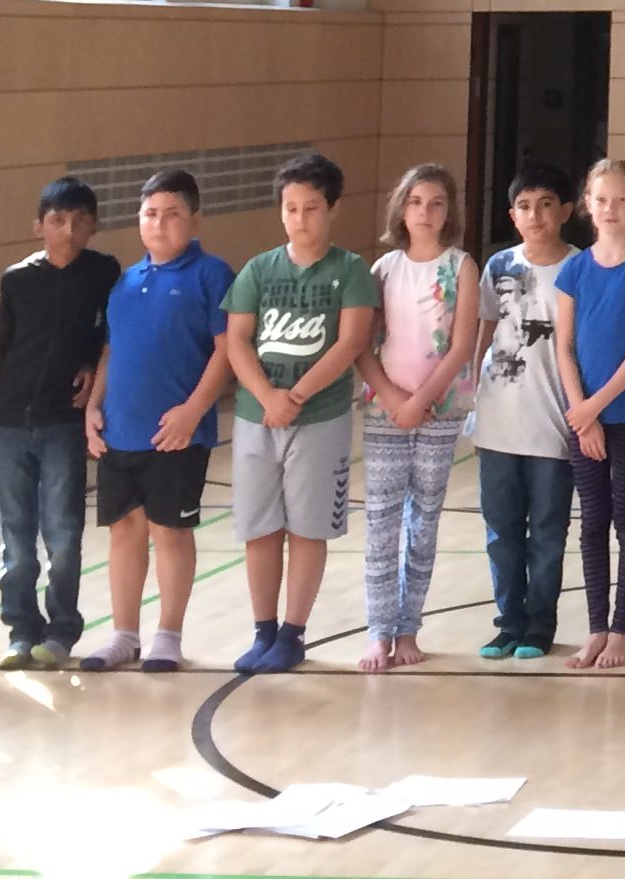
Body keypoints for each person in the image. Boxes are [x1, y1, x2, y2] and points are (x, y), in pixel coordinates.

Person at [221, 152, 377, 674]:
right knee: (260, 527)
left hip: (319, 417)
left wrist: (297, 396)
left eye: (311, 208)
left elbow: (350, 341)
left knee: (307, 528)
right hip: (256, 416)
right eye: (291, 208)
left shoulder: (350, 271)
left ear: (332, 209)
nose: (300, 218)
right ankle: (263, 630)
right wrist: (268, 396)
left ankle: (293, 633)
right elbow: (237, 340)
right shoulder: (258, 270)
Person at [83, 171, 235, 673]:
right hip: (120, 430)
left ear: (194, 221)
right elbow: (111, 352)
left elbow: (226, 350)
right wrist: (93, 407)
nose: (159, 223)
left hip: (177, 435)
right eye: (151, 214)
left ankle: (168, 635)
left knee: (169, 531)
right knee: (124, 530)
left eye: (172, 214)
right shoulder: (125, 282)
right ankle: (124, 634)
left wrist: (194, 410)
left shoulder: (212, 275)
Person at [354, 164, 484, 672]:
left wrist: (422, 400)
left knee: (424, 519)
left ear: (449, 212)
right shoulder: (383, 270)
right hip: (385, 408)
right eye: (415, 202)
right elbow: (362, 345)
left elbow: (462, 344)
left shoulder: (462, 267)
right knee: (381, 521)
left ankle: (408, 627)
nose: (425, 212)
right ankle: (378, 630)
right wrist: (394, 399)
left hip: (440, 408)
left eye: (436, 203)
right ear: (401, 209)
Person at [0, 177, 117, 669]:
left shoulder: (103, 272)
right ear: (38, 225)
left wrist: (88, 367)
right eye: (58, 220)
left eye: (79, 221)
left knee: (63, 534)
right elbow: (5, 347)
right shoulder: (17, 280)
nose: (68, 230)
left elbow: (107, 335)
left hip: (63, 423)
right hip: (11, 423)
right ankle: (20, 630)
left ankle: (62, 628)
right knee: (16, 540)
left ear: (94, 226)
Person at [552, 158, 625, 670]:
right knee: (592, 521)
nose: (611, 209)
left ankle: (622, 629)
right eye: (601, 200)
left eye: (621, 199)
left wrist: (595, 408)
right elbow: (564, 347)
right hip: (584, 417)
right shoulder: (573, 271)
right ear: (587, 204)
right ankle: (596, 627)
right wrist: (581, 412)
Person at [473, 163, 581, 662]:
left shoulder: (580, 267)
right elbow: (483, 331)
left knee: (548, 534)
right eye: (524, 206)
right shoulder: (498, 266)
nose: (534, 215)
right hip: (497, 422)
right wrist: (469, 393)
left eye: (545, 205)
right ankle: (508, 622)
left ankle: (540, 624)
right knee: (502, 534)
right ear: (512, 215)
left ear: (566, 210)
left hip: (552, 423)